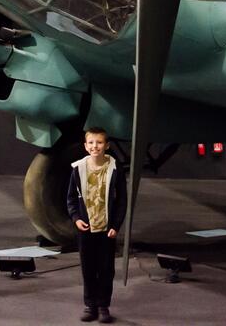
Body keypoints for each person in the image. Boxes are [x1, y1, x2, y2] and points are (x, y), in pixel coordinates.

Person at [67, 127, 127, 323]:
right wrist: (76, 218)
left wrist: (116, 225)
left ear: (106, 145)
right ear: (86, 146)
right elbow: (71, 199)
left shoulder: (115, 169)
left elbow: (122, 200)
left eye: (99, 142)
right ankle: (90, 305)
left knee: (106, 269)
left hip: (106, 230)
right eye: (91, 143)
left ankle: (103, 306)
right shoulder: (78, 169)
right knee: (88, 268)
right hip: (86, 229)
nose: (95, 146)